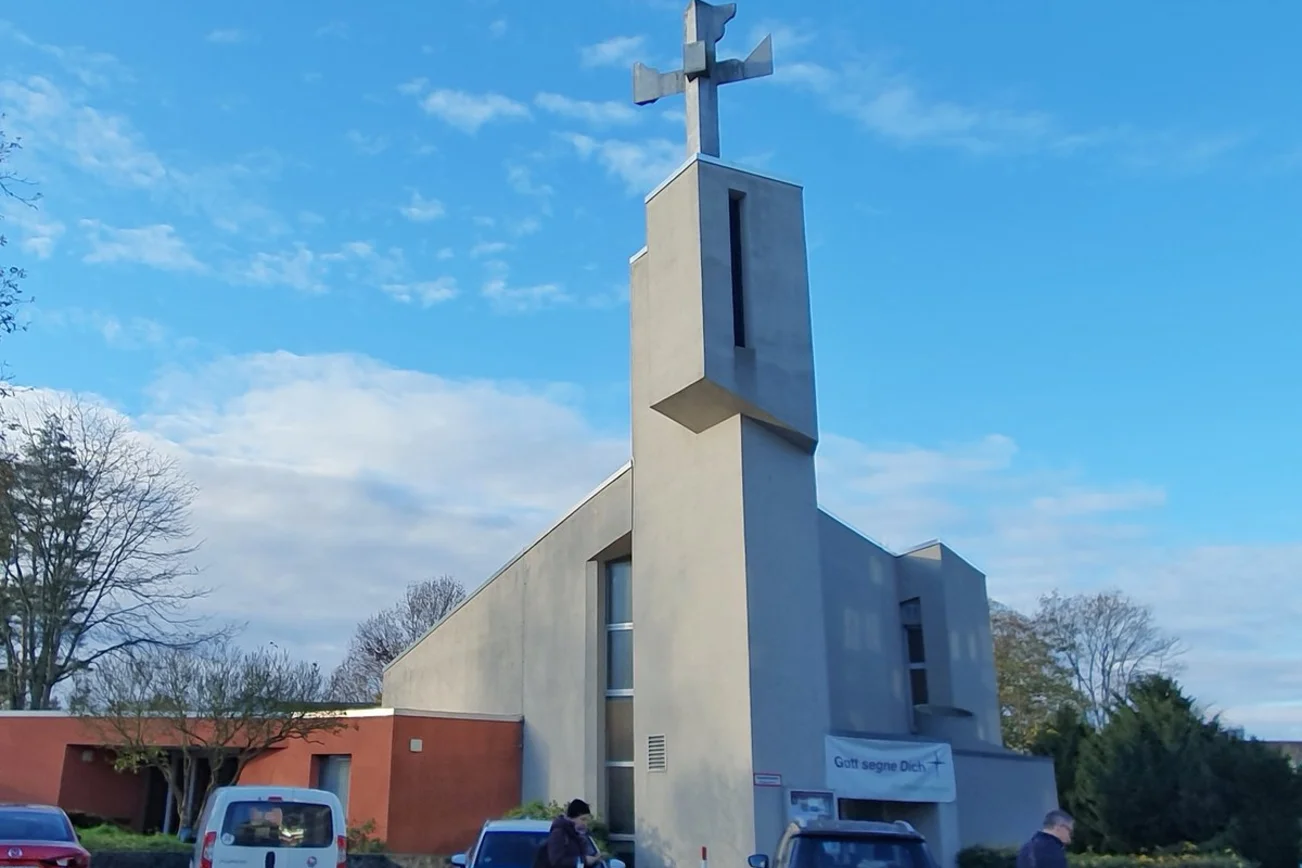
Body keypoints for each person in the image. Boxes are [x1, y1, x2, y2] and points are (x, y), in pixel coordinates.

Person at [545, 800, 603, 868]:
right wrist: (584, 860)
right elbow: (556, 862)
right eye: (583, 819)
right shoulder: (559, 833)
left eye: (587, 820)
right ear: (571, 818)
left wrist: (594, 858)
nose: (585, 823)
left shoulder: (579, 835)